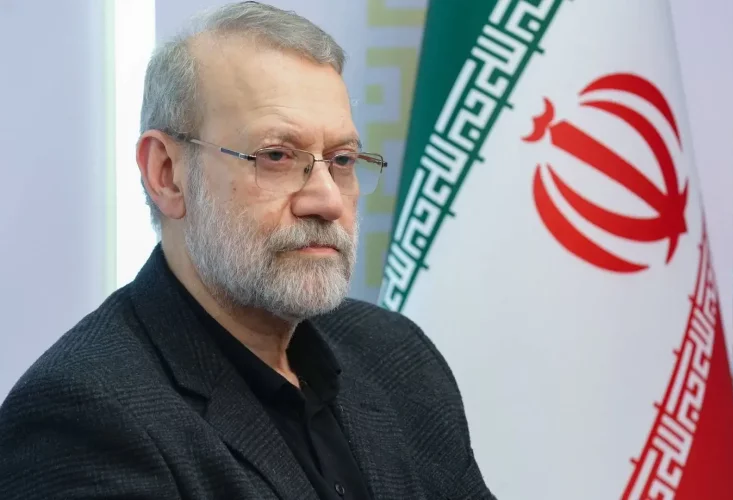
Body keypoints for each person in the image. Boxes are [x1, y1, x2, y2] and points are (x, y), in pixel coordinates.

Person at [0, 2, 494, 499]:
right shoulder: (83, 419)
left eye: (342, 160)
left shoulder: (396, 354)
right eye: (276, 156)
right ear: (166, 174)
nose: (326, 200)